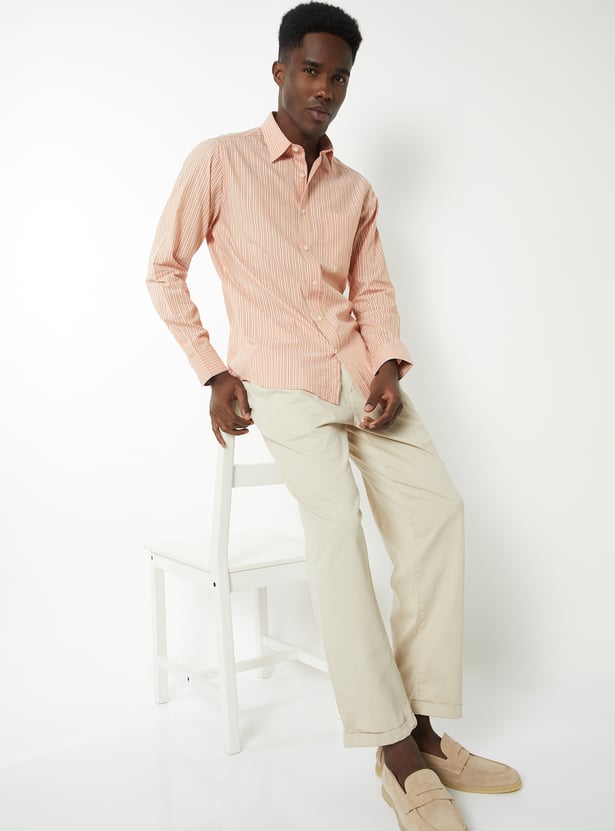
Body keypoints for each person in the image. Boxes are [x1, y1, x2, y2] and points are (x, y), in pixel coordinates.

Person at [146, 3, 520, 829]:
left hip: (361, 377)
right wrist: (212, 370)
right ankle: (392, 750)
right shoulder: (219, 161)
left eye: (339, 76)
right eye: (311, 70)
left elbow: (373, 289)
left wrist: (387, 362)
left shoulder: (355, 189)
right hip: (280, 381)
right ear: (279, 71)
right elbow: (163, 269)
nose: (325, 88)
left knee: (439, 513)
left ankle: (423, 726)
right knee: (338, 532)